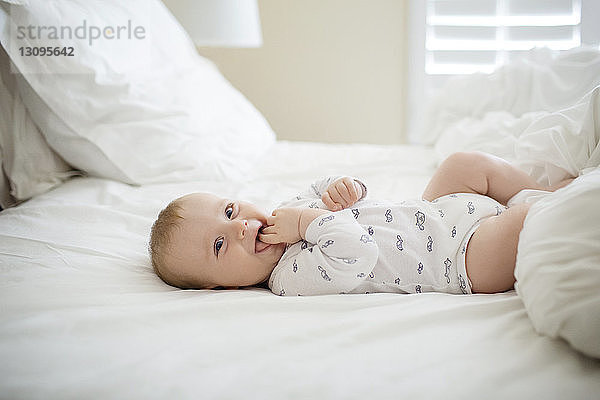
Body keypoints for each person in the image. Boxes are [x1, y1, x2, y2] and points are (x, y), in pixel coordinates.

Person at [149, 151, 571, 296]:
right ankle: (567, 201)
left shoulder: (284, 212)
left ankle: (543, 191)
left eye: (229, 212)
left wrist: (343, 188)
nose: (240, 227)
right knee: (529, 222)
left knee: (465, 164)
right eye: (219, 246)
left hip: (437, 212)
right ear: (219, 288)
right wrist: (310, 223)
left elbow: (324, 190)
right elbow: (358, 252)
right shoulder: (290, 278)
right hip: (461, 259)